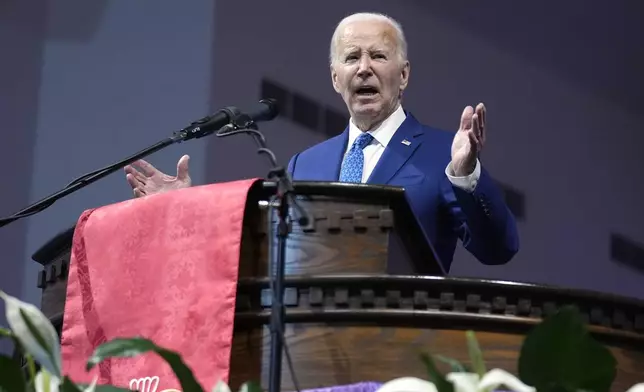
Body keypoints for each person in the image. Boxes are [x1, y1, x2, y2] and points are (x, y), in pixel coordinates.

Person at [124, 12, 519, 273]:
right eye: (351, 58)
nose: (364, 67)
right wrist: (186, 211)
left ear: (403, 75)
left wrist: (467, 176)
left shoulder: (443, 155)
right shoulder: (303, 165)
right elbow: (262, 258)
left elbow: (498, 249)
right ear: (335, 78)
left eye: (378, 56)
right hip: (308, 351)